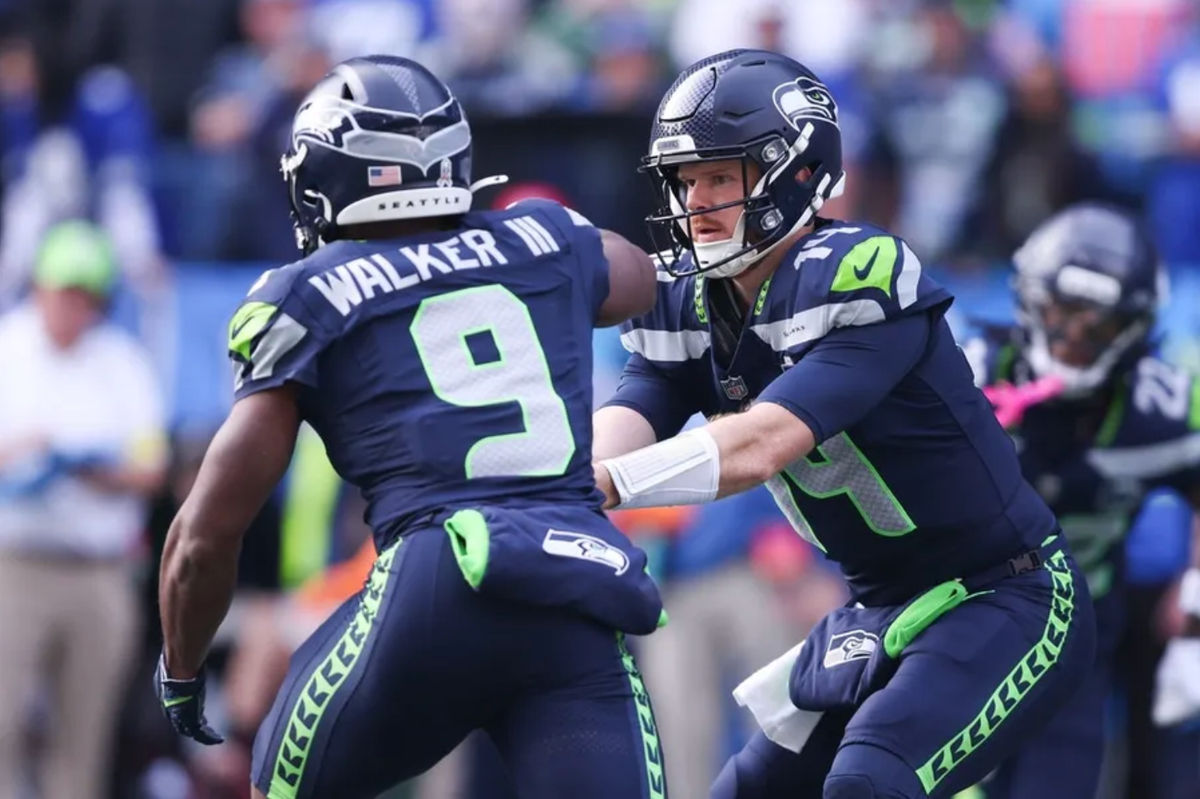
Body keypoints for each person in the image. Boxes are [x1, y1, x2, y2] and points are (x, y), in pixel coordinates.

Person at [155, 55, 667, 799]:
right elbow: (642, 278)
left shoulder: (308, 294)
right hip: (575, 583)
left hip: (436, 584)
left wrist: (181, 666)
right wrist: (546, 243)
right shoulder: (548, 237)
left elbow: (204, 536)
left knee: (276, 780)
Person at [590, 48, 1096, 798]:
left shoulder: (857, 275)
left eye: (720, 177)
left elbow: (764, 443)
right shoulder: (690, 303)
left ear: (793, 171)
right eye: (688, 180)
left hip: (1006, 594)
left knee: (870, 781)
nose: (697, 201)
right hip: (882, 611)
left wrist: (603, 483)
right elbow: (633, 411)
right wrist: (567, 487)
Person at [961, 203, 1200, 797]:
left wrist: (1196, 611)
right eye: (1062, 314)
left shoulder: (1161, 409)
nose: (1071, 341)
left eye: (1096, 326)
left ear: (1135, 327)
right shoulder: (968, 375)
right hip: (955, 633)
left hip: (1073, 649)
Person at [0, 221, 167, 799]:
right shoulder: (8, 347)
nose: (73, 307)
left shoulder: (121, 360)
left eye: (85, 295)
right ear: (40, 287)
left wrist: (86, 468)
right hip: (16, 564)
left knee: (84, 736)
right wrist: (26, 452)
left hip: (99, 569)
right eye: (64, 291)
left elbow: (151, 468)